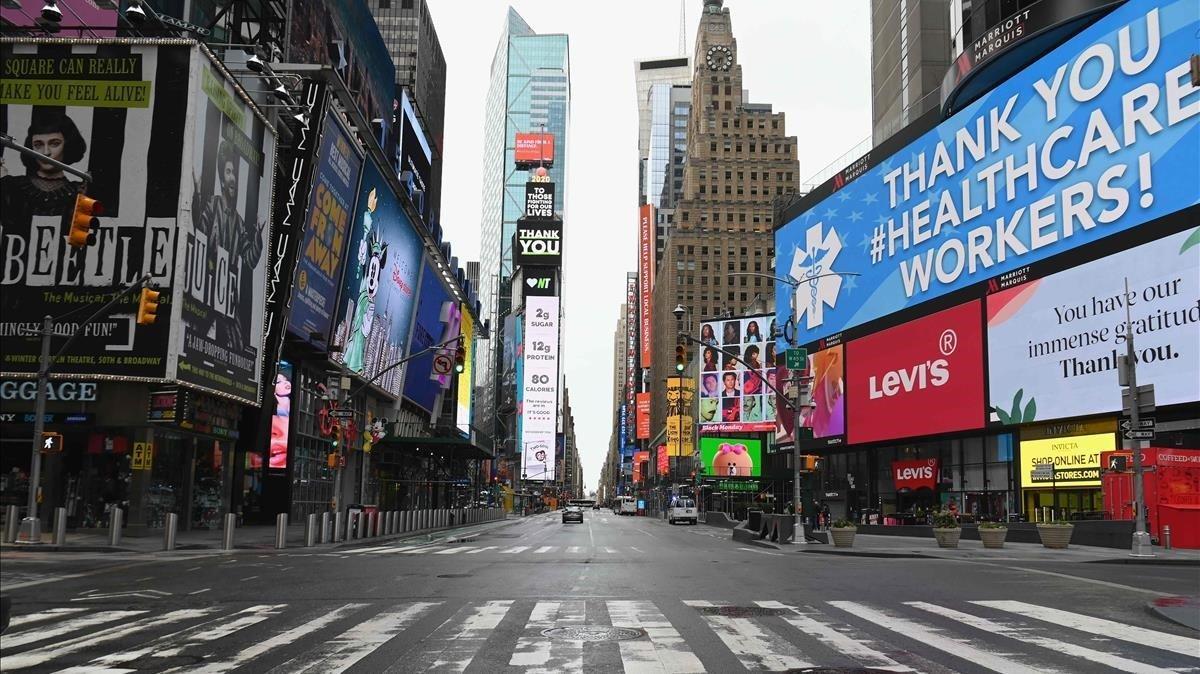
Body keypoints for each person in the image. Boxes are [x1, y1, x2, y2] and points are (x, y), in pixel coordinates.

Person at [194, 141, 265, 353]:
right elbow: (198, 231)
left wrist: (259, 236)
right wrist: (196, 196)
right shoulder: (210, 205)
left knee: (238, 348)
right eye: (228, 172)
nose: (232, 177)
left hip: (229, 299)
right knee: (194, 339)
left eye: (234, 172)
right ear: (222, 178)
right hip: (207, 291)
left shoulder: (239, 222)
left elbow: (250, 260)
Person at [0, 107, 87, 232]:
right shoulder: (12, 185)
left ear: (68, 145)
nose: (45, 152)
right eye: (38, 145)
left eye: (54, 143)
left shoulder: (80, 191)